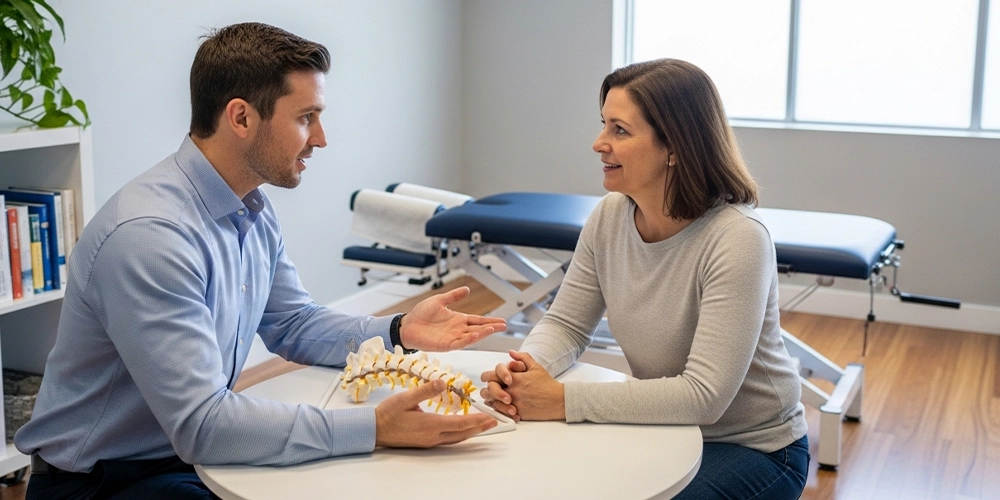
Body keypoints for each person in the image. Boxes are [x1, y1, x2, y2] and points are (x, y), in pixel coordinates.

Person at [14, 22, 503, 500]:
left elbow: (292, 322)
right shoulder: (150, 236)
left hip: (176, 452)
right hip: (102, 480)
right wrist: (374, 427)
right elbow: (204, 426)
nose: (321, 138)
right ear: (242, 118)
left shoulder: (249, 206)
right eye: (305, 117)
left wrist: (397, 332)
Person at [480, 58, 809, 499]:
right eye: (603, 125)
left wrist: (559, 400)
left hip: (754, 447)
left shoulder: (737, 239)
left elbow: (704, 396)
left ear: (674, 146)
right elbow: (568, 324)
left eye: (619, 130)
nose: (598, 143)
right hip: (664, 428)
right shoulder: (610, 216)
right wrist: (527, 370)